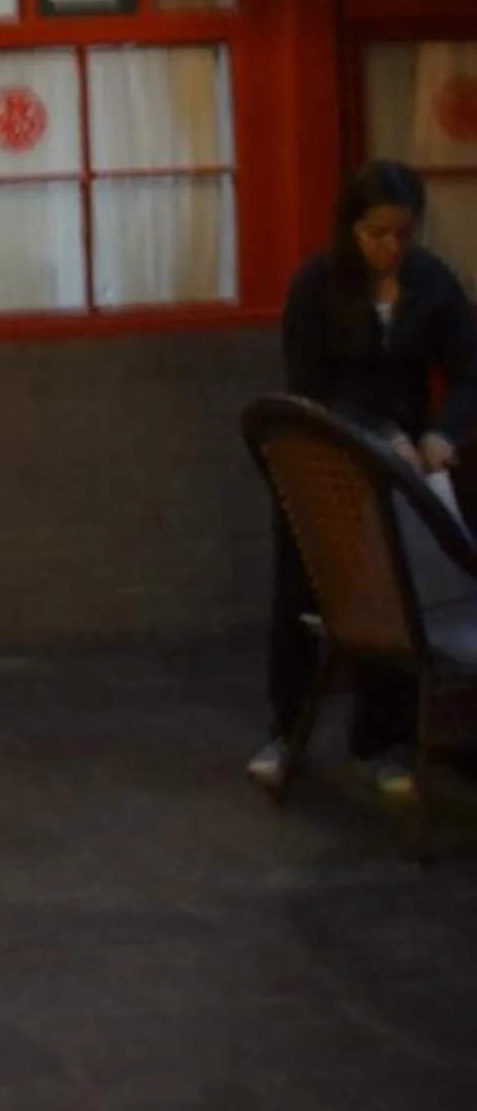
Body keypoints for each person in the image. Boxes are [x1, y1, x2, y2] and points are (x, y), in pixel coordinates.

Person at [268, 161, 477, 796]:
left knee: (396, 597)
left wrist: (444, 430)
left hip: (405, 464)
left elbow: (469, 373)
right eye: (377, 233)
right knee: (304, 589)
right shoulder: (317, 283)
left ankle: (381, 737)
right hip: (326, 459)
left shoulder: (432, 283)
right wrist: (377, 430)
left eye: (403, 234)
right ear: (351, 227)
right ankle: (285, 731)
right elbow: (308, 387)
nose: (390, 247)